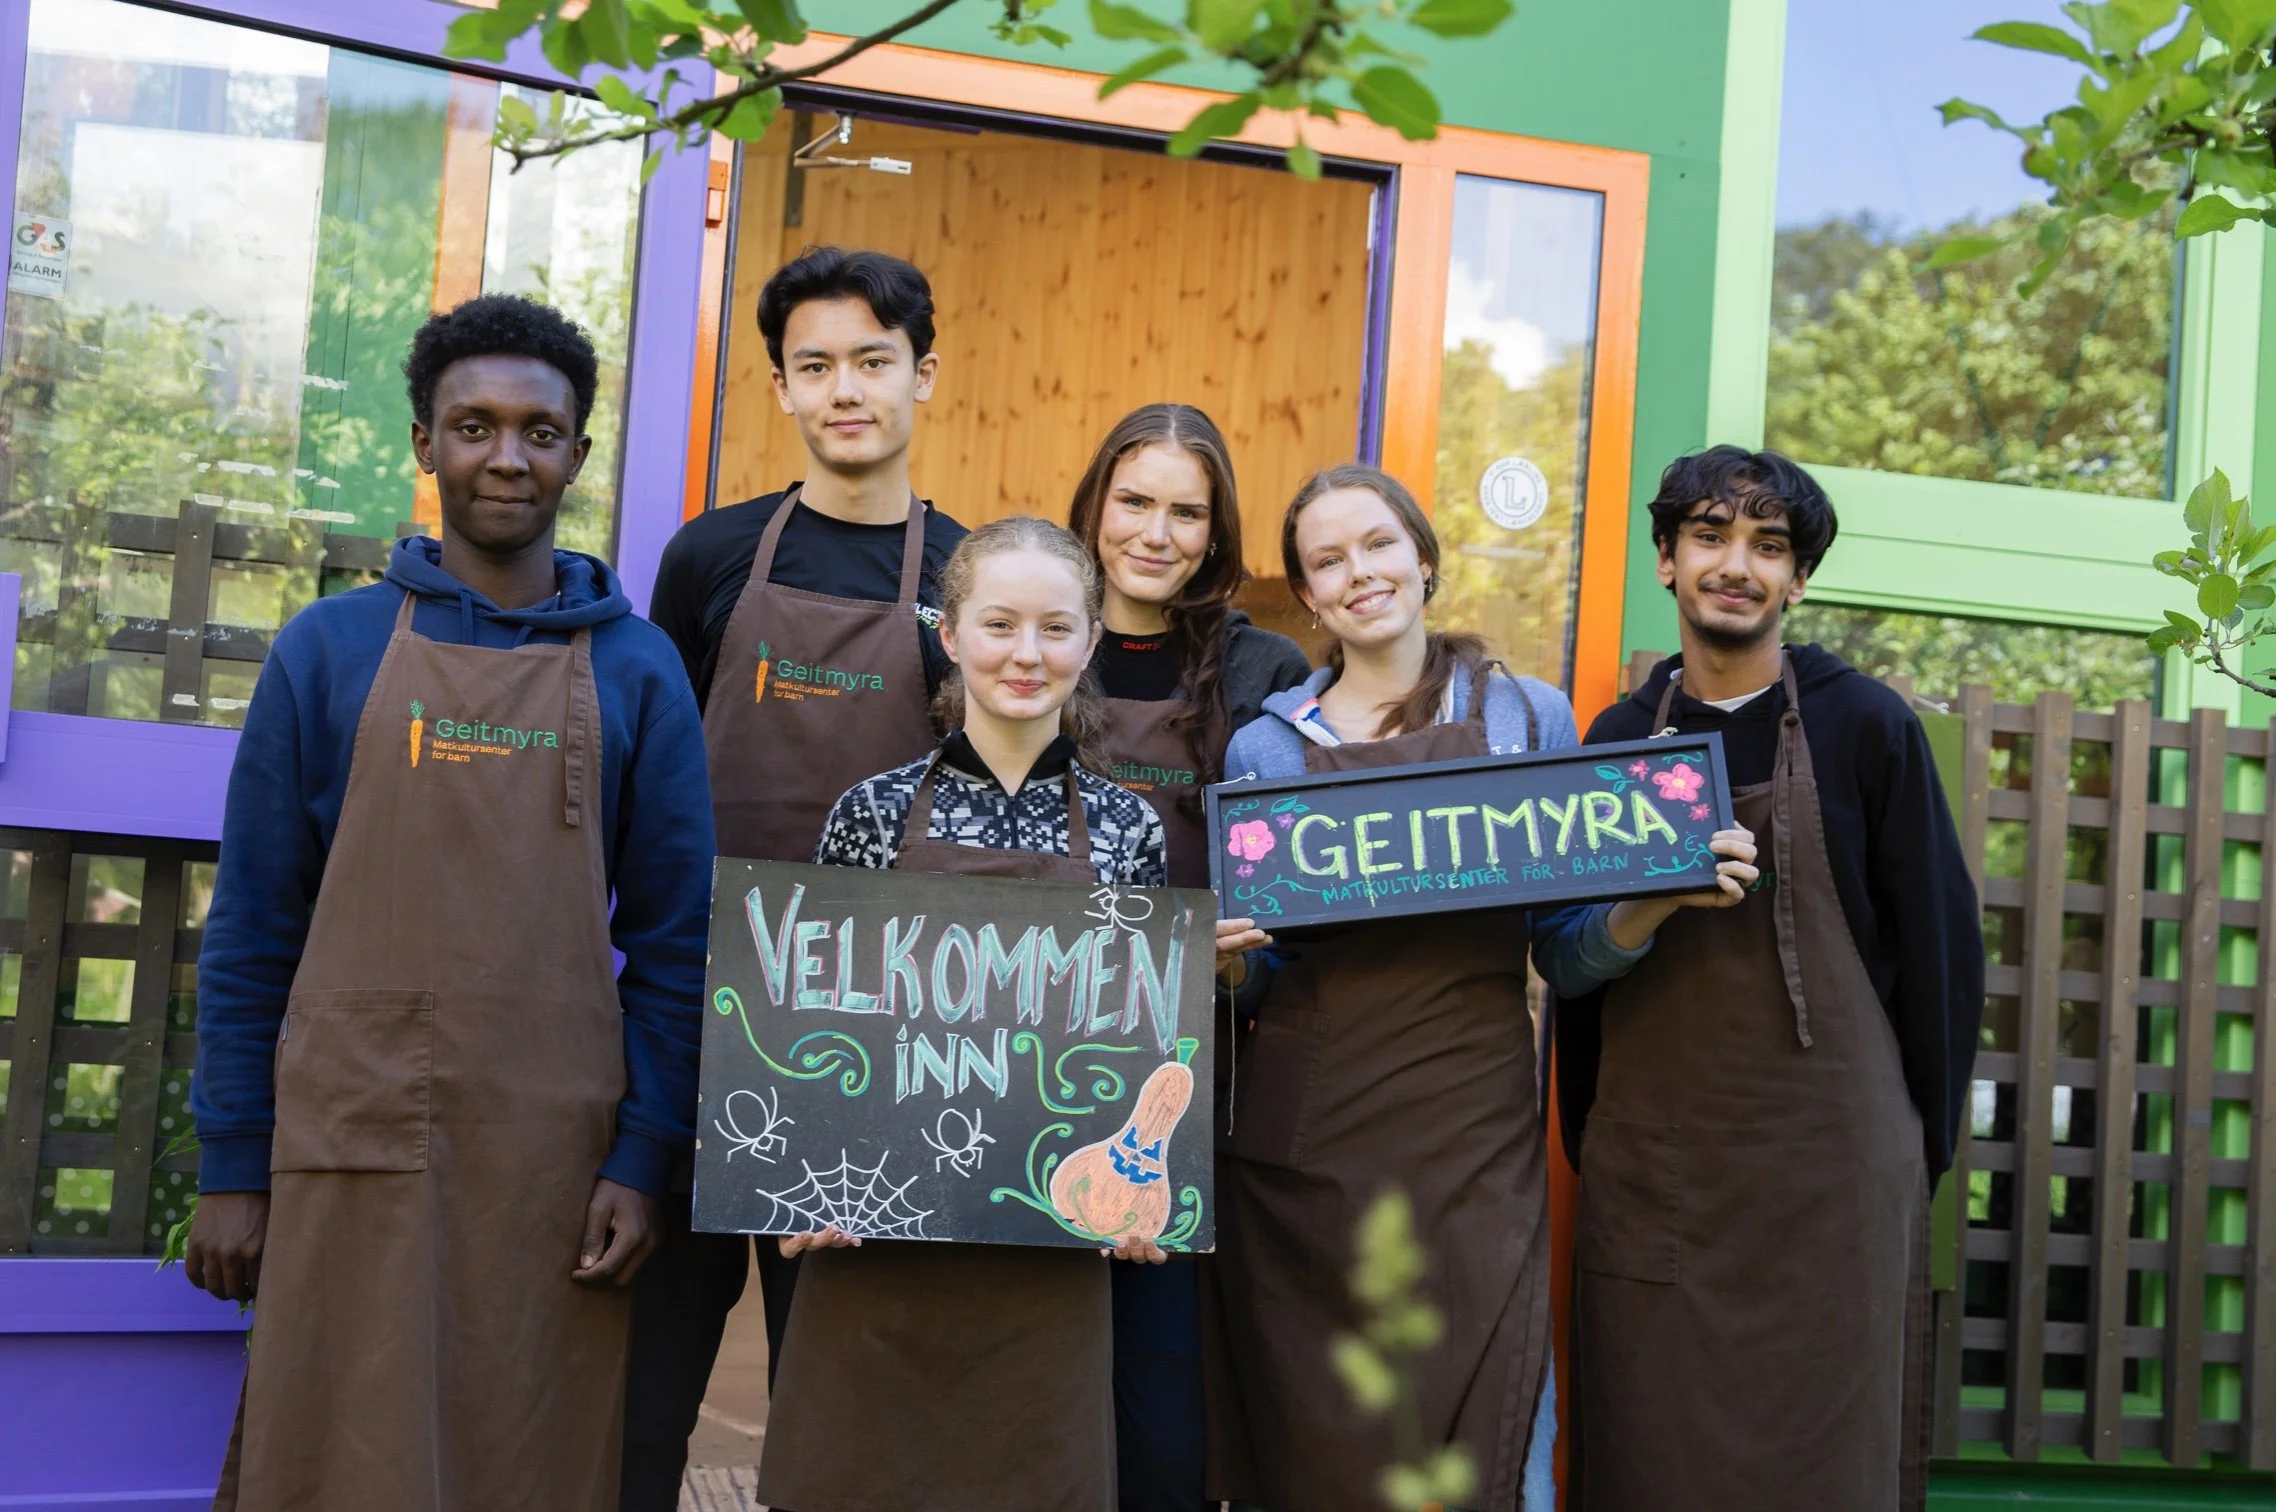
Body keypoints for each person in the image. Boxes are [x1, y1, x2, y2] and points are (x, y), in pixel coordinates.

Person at [183, 295, 715, 1512]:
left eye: (540, 431)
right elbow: (256, 929)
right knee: (336, 1449)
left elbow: (678, 947)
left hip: (558, 1164)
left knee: (525, 1452)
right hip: (350, 1137)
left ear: (579, 453)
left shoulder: (639, 673)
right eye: (473, 426)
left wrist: (641, 1157)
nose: (507, 457)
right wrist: (233, 1161)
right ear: (423, 443)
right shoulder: (326, 651)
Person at [1533, 446, 1983, 1512]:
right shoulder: (1612, 741)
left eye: (1766, 546)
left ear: (1797, 581)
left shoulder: (1864, 725)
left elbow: (1940, 957)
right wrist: (1595, 1139)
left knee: (1826, 1461)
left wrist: (1912, 1155)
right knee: (1650, 1445)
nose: (1735, 564)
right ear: (1665, 560)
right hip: (1660, 1177)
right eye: (1709, 536)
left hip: (1830, 1180)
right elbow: (1568, 963)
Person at [629, 246, 967, 1508]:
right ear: (780, 387)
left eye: (872, 363)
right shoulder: (709, 557)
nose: (845, 391)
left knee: (848, 1392)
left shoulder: (966, 581)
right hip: (695, 1014)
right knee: (644, 1379)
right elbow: (647, 782)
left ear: (921, 375)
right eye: (813, 366)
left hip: (870, 1037)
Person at [755, 517, 1175, 1512]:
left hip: (1048, 1266)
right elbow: (819, 1032)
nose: (1024, 654)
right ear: (949, 632)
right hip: (876, 1259)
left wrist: (1150, 1200)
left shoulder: (1128, 831)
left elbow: (1141, 1058)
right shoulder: (868, 812)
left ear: (1089, 641)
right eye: (997, 624)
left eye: (1053, 628)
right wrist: (797, 1190)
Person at [1209, 464, 1564, 1512]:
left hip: (1474, 1136)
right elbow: (1262, 971)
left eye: (1375, 544)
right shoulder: (1265, 745)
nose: (1357, 572)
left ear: (1421, 557)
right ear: (1309, 599)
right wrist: (1228, 964)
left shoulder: (1525, 719)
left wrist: (1657, 899)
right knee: (1320, 1447)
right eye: (1327, 560)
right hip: (1309, 1153)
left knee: (1488, 1435)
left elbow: (1567, 944)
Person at [1064, 403, 1311, 1512]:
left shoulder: (1264, 669)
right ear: (1094, 506)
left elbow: (1288, 898)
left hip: (1189, 1077)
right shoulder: (1037, 631)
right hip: (1019, 1052)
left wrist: (1235, 968)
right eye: (1134, 503)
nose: (1154, 533)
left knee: (1162, 1418)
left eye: (1184, 511)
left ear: (1216, 534)